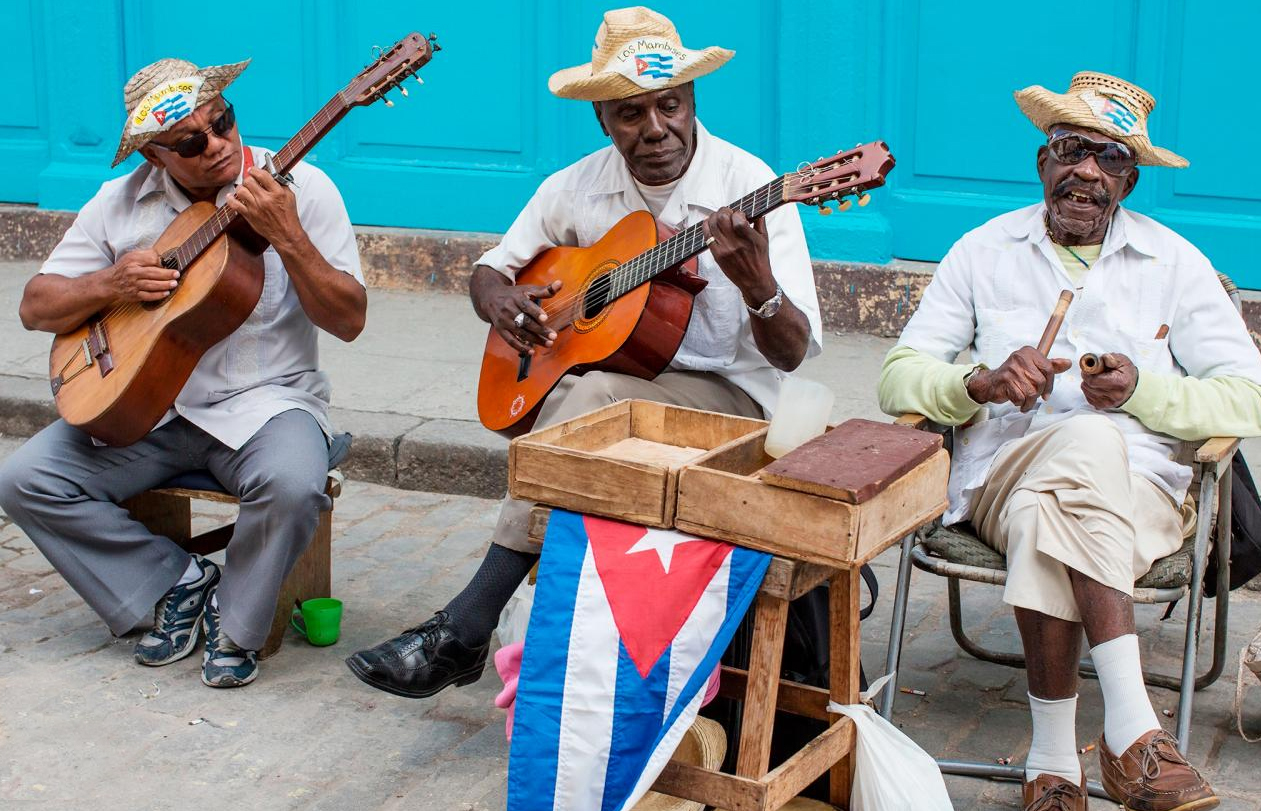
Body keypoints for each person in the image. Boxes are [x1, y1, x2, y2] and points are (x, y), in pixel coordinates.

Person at [347, 6, 821, 698]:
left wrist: (759, 286)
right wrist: (502, 303)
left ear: (692, 101)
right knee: (585, 398)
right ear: (602, 118)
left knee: (588, 398)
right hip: (619, 391)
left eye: (669, 105)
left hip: (736, 405)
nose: (655, 129)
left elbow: (794, 355)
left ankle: (467, 626)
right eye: (631, 114)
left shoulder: (752, 188)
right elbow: (489, 270)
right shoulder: (574, 186)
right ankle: (546, 650)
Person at [878, 71, 1261, 811]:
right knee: (1083, 449)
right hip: (999, 479)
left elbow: (1253, 400)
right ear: (1042, 160)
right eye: (1072, 150)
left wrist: (1145, 390)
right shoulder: (983, 251)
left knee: (1063, 488)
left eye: (1110, 158)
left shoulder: (1174, 262)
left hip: (1140, 499)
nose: (1087, 171)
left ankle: (1052, 767)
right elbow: (896, 377)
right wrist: (977, 384)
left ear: (1130, 179)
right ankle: (1132, 732)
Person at [0, 57, 367, 687]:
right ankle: (176, 581)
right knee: (25, 478)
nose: (219, 145)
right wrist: (110, 281)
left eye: (223, 123)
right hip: (150, 411)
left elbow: (349, 320)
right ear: (154, 156)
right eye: (192, 143)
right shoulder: (118, 206)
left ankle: (238, 622)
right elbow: (36, 305)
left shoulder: (305, 188)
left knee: (292, 484)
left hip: (266, 404)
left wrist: (289, 238)